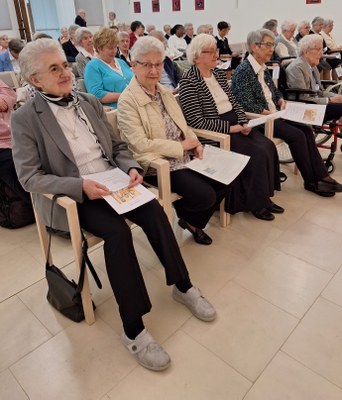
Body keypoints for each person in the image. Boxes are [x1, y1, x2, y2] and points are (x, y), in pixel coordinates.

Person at [11, 38, 216, 372]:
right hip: (76, 196)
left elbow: (117, 146)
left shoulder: (88, 102)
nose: (65, 73)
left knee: (153, 209)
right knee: (117, 234)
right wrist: (79, 186)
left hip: (113, 181)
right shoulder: (25, 119)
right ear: (35, 80)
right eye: (55, 69)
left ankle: (183, 286)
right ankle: (133, 329)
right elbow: (29, 177)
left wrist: (131, 166)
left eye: (64, 65)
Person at [118, 36, 228, 244]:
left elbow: (184, 125)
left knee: (226, 177)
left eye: (158, 64)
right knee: (206, 195)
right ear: (133, 65)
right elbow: (140, 144)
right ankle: (189, 216)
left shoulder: (164, 92)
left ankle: (191, 221)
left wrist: (195, 143)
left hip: (183, 155)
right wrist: (181, 147)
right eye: (147, 65)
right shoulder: (127, 100)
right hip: (157, 164)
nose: (154, 71)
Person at [179, 34, 283, 221]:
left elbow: (235, 102)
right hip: (216, 132)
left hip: (235, 124)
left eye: (215, 50)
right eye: (209, 52)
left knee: (267, 146)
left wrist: (243, 122)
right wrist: (230, 128)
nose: (215, 55)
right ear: (196, 57)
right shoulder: (188, 81)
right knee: (256, 153)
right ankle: (255, 203)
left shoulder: (218, 74)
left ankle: (264, 197)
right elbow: (196, 121)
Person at [232, 29, 342, 197]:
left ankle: (322, 176)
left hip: (276, 114)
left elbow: (274, 91)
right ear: (254, 47)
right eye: (268, 45)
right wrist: (272, 113)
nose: (272, 49)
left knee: (305, 129)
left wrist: (281, 100)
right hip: (262, 119)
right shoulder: (243, 71)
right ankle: (311, 181)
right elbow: (246, 104)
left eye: (272, 45)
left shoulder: (263, 67)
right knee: (297, 135)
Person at [286, 34, 342, 124]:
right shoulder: (296, 68)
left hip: (316, 102)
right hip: (306, 107)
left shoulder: (312, 65)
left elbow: (320, 91)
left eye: (322, 49)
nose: (322, 53)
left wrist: (335, 96)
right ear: (306, 51)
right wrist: (330, 100)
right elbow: (303, 97)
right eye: (318, 49)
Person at [84, 28, 133, 109]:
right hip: (115, 110)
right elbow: (96, 94)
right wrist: (125, 96)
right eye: (110, 48)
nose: (114, 51)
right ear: (99, 48)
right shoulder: (92, 66)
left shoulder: (121, 62)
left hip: (133, 105)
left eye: (115, 47)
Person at [0, 80, 31, 205]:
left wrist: (4, 101)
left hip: (16, 133)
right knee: (15, 168)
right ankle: (46, 213)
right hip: (2, 146)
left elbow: (11, 94)